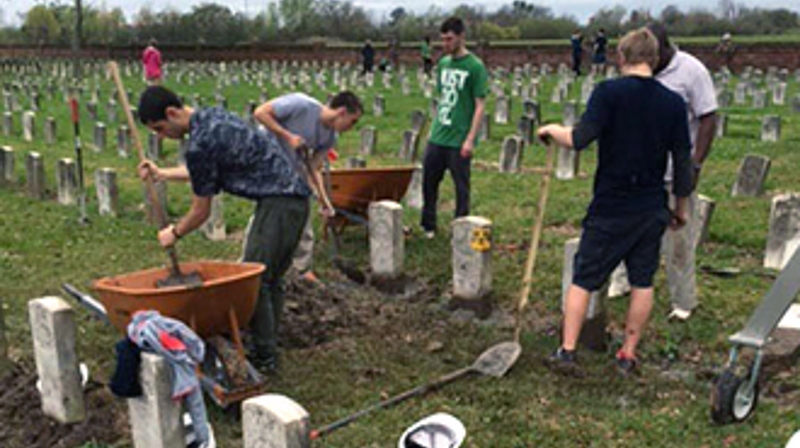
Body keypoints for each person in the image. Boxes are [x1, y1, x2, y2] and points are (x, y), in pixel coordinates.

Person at [537, 27, 693, 376]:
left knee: (584, 277)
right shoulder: (673, 103)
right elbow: (683, 161)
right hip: (651, 205)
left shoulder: (608, 93)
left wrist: (549, 130)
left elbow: (580, 138)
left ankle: (567, 350)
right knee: (642, 280)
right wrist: (679, 208)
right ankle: (627, 353)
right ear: (654, 60)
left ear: (621, 57)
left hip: (611, 204)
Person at [135, 86, 316, 372]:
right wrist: (162, 173)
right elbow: (205, 171)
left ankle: (265, 357)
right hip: (293, 201)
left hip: (279, 204)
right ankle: (267, 343)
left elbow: (200, 210)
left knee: (255, 278)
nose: (161, 136)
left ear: (172, 113)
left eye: (160, 128)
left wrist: (175, 232)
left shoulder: (199, 143)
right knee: (271, 279)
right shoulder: (212, 118)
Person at [252, 91, 363, 284]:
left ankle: (302, 270)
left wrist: (324, 199)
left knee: (302, 207)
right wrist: (288, 136)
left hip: (292, 170)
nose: (351, 128)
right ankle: (251, 264)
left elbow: (313, 168)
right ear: (342, 112)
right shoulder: (302, 104)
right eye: (352, 121)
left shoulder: (330, 138)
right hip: (266, 161)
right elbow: (260, 113)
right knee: (269, 213)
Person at [648, 22, 719, 321]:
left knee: (678, 238)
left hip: (674, 171)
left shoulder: (692, 71)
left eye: (652, 56)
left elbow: (708, 118)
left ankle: (683, 301)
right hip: (641, 171)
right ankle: (622, 281)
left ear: (665, 48)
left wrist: (695, 163)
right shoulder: (640, 70)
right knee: (632, 230)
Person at [421, 17, 488, 239]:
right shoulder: (443, 64)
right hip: (438, 135)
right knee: (428, 182)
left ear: (461, 37)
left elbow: (480, 105)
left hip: (459, 138)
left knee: (461, 187)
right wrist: (433, 128)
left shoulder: (475, 67)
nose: (445, 44)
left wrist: (470, 138)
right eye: (443, 39)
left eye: (449, 39)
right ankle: (428, 225)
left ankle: (460, 227)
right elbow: (443, 99)